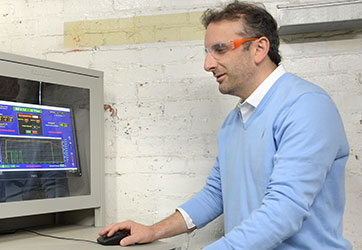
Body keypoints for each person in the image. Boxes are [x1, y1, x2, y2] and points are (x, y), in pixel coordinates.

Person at [99, 1, 352, 249]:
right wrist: (153, 231)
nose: (207, 64)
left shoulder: (306, 106)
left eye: (220, 49)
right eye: (207, 52)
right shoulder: (235, 120)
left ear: (259, 48)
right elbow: (216, 195)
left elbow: (283, 212)